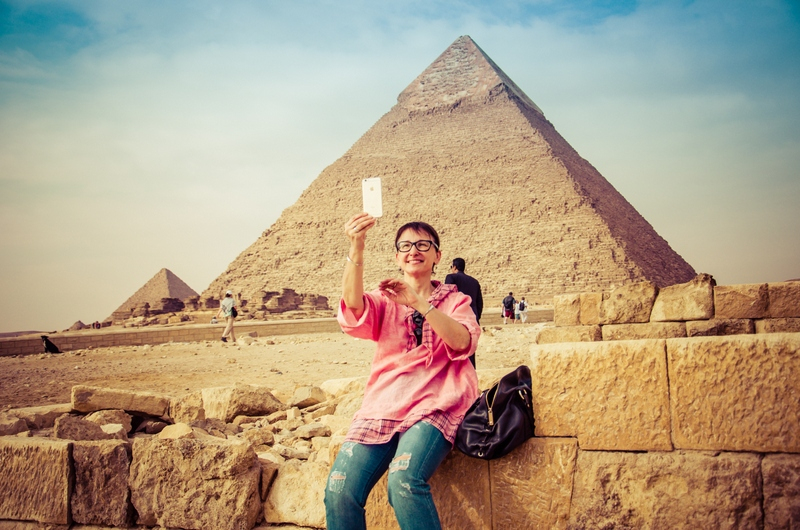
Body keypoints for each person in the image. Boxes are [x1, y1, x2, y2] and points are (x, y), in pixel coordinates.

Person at [325, 213, 480, 530]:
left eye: (424, 244)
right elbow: (353, 308)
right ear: (397, 257)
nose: (414, 250)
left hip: (438, 401)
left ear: (438, 255)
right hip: (384, 404)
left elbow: (462, 341)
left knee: (404, 481)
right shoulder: (385, 298)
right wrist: (357, 245)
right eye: (406, 245)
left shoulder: (455, 300)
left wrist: (420, 304)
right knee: (338, 491)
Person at [444, 257, 483, 367]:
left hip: (455, 319)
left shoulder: (451, 277)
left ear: (454, 267)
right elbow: (479, 303)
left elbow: (447, 296)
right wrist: (475, 318)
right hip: (472, 321)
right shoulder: (474, 282)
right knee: (470, 354)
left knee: (453, 355)